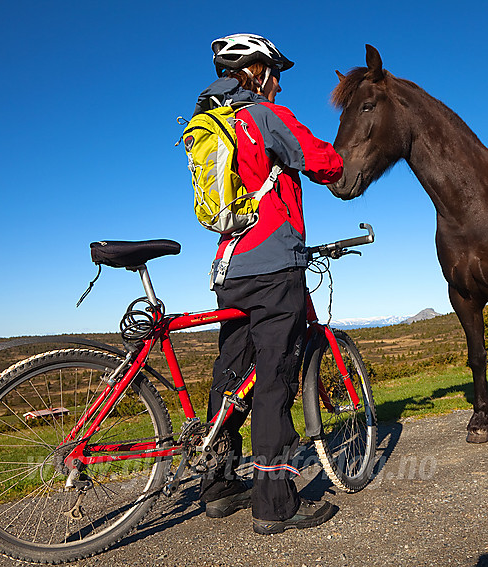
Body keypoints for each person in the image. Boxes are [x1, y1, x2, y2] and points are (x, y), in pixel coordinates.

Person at [191, 33, 344, 534]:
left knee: (231, 375)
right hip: (275, 267)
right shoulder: (261, 116)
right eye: (275, 72)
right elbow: (320, 158)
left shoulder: (211, 125)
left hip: (229, 268)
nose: (278, 83)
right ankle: (275, 503)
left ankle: (217, 489)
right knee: (274, 379)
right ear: (256, 72)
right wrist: (342, 164)